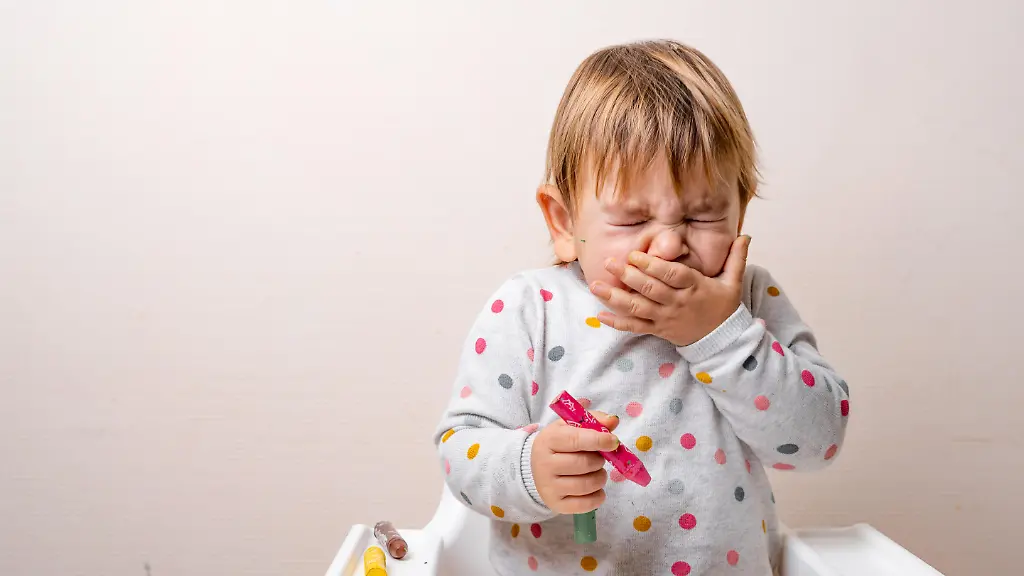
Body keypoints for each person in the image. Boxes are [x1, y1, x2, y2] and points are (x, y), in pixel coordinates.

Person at [433, 39, 850, 576]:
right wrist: (529, 468)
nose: (670, 246)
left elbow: (817, 443)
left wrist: (720, 335)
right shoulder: (529, 309)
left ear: (740, 210)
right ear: (564, 223)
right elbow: (461, 450)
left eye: (703, 217)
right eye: (632, 220)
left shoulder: (748, 299)